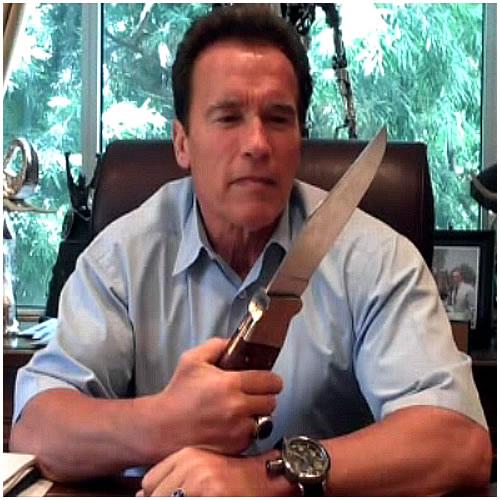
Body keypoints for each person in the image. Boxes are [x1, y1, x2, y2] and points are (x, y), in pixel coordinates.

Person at [11, 5, 491, 496]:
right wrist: (165, 421)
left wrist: (264, 477)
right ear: (182, 142)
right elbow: (36, 431)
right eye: (228, 117)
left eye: (278, 119)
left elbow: (460, 443)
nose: (258, 143)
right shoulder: (121, 257)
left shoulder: (375, 259)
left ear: (300, 139)